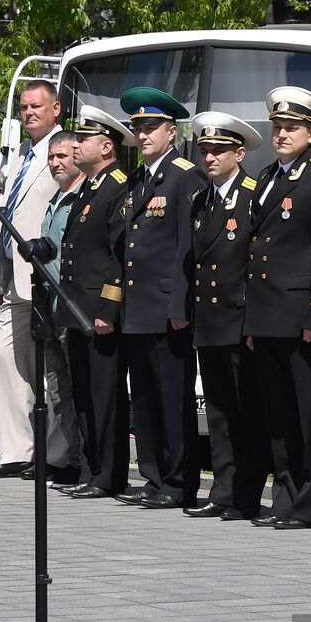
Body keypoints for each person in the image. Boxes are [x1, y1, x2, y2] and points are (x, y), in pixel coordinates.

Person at [243, 86, 311, 529]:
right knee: (278, 414)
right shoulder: (265, 178)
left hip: (301, 313)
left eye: (292, 128)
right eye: (277, 127)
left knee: (309, 414)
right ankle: (285, 498)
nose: (281, 134)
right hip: (266, 313)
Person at [115, 87, 206, 509]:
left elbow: (187, 246)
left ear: (172, 132)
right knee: (146, 399)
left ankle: (178, 481)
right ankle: (152, 477)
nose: (143, 134)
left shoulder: (185, 174)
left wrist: (179, 306)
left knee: (173, 398)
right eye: (138, 127)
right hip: (137, 307)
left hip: (167, 307)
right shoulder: (139, 178)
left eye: (151, 127)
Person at [185, 111, 270, 520]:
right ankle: (222, 490)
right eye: (205, 151)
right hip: (210, 319)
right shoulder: (201, 199)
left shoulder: (253, 195)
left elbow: (257, 262)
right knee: (218, 412)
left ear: (240, 153)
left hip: (238, 317)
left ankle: (246, 494)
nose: (210, 158)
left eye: (219, 150)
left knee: (245, 413)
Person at [0, 79, 62, 477]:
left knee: (50, 368)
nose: (28, 113)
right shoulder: (25, 154)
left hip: (46, 273)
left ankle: (56, 454)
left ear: (56, 109)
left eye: (36, 107)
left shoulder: (64, 150)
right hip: (14, 274)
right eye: (24, 107)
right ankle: (14, 451)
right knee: (3, 356)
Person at [57, 105, 133, 499]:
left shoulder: (117, 185)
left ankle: (109, 473)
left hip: (98, 310)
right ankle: (91, 468)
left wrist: (108, 307)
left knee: (105, 395)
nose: (75, 144)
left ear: (106, 146)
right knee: (84, 393)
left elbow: (115, 255)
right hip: (76, 306)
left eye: (83, 139)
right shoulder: (88, 185)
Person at [38, 130, 84, 485]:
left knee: (78, 387)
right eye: (51, 158)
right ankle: (70, 456)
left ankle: (83, 459)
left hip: (74, 307)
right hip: (49, 307)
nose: (55, 163)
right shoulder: (56, 198)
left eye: (62, 157)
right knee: (57, 388)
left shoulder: (82, 198)